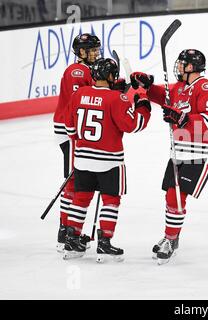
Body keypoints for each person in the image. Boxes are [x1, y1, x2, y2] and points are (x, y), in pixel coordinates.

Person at [132, 49, 208, 264]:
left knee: (176, 197)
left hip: (199, 152)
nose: (179, 67)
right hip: (178, 151)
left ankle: (170, 239)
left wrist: (181, 118)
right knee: (171, 196)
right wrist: (147, 85)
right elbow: (162, 97)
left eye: (182, 64)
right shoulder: (179, 88)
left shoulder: (205, 87)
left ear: (192, 67)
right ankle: (172, 236)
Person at [62, 58, 151, 261]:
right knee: (111, 201)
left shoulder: (79, 94)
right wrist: (142, 103)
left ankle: (72, 239)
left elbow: (69, 129)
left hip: (82, 159)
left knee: (81, 198)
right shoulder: (116, 99)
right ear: (111, 76)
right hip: (109, 161)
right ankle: (104, 242)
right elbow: (133, 125)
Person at [53, 33, 101, 252]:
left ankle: (67, 227)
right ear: (81, 52)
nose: (96, 54)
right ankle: (65, 229)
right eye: (92, 50)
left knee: (75, 177)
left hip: (75, 128)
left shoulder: (87, 70)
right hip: (70, 129)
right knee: (73, 180)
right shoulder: (77, 71)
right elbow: (79, 102)